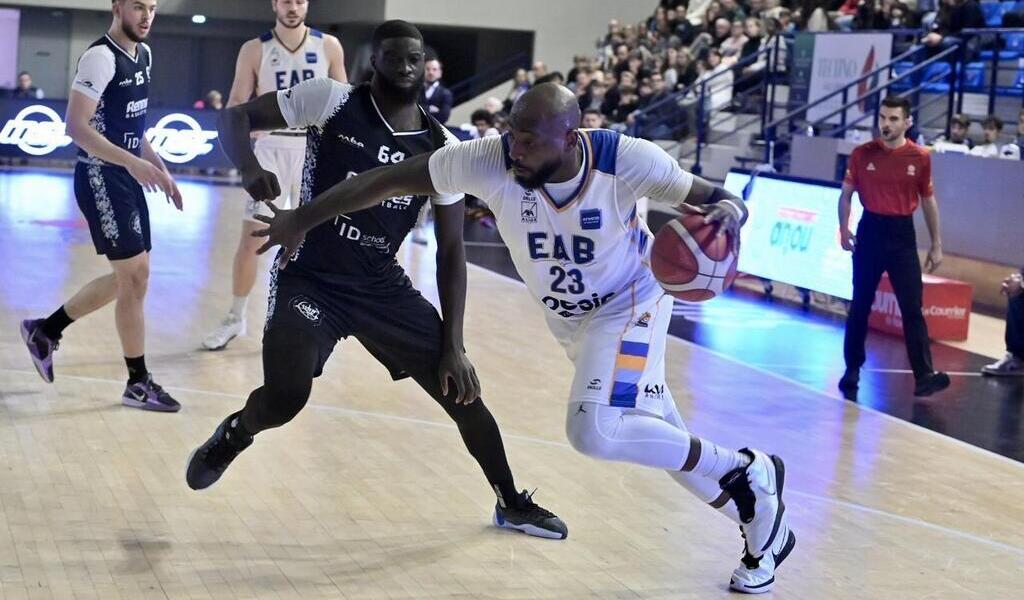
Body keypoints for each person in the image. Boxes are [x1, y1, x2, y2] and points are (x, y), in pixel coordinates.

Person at [253, 83, 796, 594]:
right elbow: (382, 181)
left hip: (631, 303)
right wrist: (303, 217)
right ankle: (763, 529)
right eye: (513, 131)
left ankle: (751, 470)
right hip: (572, 324)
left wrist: (731, 210)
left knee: (595, 430)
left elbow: (722, 199)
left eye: (531, 138)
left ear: (571, 137)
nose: (516, 147)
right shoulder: (486, 159)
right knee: (662, 442)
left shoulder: (626, 159)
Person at [186, 21, 566, 540]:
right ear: (375, 62)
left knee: (463, 392)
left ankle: (511, 501)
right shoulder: (333, 100)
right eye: (395, 57)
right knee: (285, 398)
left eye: (415, 59)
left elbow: (452, 252)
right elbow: (235, 119)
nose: (406, 67)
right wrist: (251, 169)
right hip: (311, 277)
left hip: (380, 286)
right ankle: (233, 433)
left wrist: (454, 344)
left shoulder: (442, 146)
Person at [19, 0, 183, 411]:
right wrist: (132, 163)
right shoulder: (98, 58)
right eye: (138, 7)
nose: (146, 15)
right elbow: (75, 127)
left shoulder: (144, 54)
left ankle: (46, 329)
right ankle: (137, 382)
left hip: (127, 174)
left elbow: (135, 129)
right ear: (117, 7)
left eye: (153, 7)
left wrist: (160, 169)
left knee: (134, 278)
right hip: (99, 175)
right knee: (134, 278)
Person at [201, 0, 347, 351]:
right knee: (252, 240)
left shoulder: (328, 46)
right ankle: (236, 317)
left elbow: (345, 102)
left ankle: (311, 319)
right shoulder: (255, 49)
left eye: (299, 0)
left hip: (313, 150)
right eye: (286, 0)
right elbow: (236, 105)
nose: (293, 7)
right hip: (271, 149)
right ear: (274, 4)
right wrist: (247, 154)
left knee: (315, 241)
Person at [838, 95, 950, 398]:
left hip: (902, 236)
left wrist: (937, 244)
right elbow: (845, 194)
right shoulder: (863, 153)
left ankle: (924, 375)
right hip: (871, 230)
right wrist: (844, 228)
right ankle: (852, 369)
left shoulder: (920, 157)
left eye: (893, 119)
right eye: (883, 118)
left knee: (912, 307)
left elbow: (928, 201)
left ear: (907, 122)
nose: (886, 124)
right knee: (860, 304)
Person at [419, 56, 452, 124]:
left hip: (436, 131)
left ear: (440, 73)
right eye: (427, 69)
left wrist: (421, 110)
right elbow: (411, 111)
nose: (431, 72)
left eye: (434, 69)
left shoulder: (446, 93)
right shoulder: (415, 91)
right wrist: (429, 108)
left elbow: (443, 117)